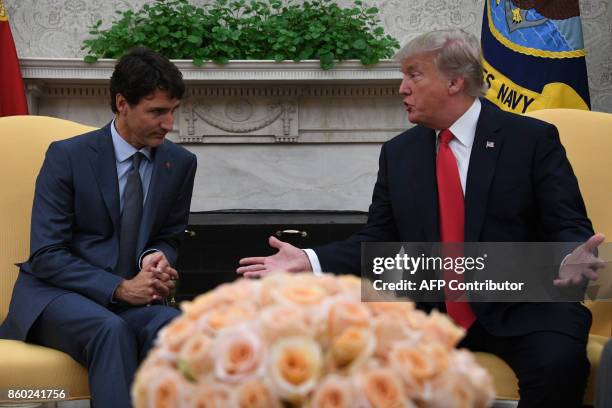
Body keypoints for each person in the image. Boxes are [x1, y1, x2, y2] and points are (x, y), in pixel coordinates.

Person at [237, 29, 604, 407]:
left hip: (523, 307)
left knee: (558, 363)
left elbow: (568, 224)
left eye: (414, 74)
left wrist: (569, 255)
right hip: (430, 311)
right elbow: (379, 240)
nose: (402, 88)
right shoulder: (399, 153)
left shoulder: (530, 139)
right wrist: (310, 260)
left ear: (454, 82)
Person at [0, 47, 197, 408]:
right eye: (157, 112)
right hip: (54, 296)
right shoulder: (67, 157)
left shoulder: (180, 163)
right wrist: (120, 289)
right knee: (111, 331)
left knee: (177, 328)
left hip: (132, 299)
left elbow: (169, 235)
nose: (169, 123)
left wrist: (156, 259)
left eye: (172, 111)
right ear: (122, 103)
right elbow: (47, 255)